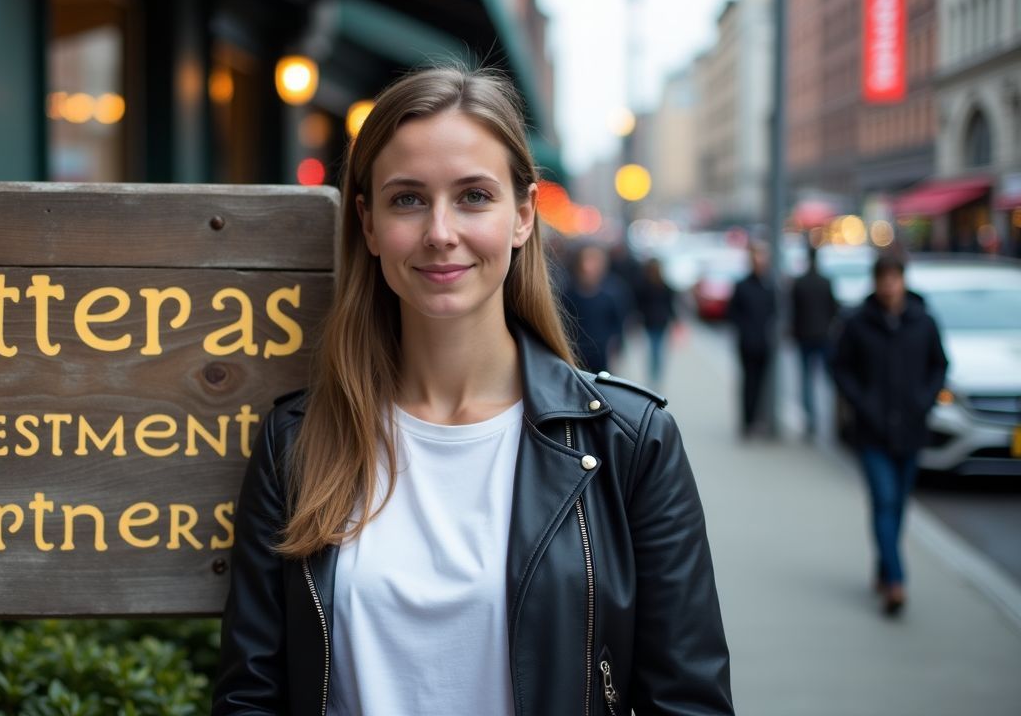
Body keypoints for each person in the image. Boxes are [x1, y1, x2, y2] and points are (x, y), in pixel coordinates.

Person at [213, 67, 732, 715]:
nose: (439, 231)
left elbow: (687, 702)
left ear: (522, 215)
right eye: (407, 199)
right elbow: (251, 696)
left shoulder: (632, 443)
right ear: (368, 226)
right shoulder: (297, 441)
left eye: (473, 196)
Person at [830, 253, 947, 616]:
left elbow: (939, 365)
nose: (888, 286)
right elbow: (838, 366)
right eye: (883, 279)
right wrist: (860, 402)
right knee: (883, 500)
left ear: (903, 280)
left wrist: (924, 400)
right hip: (872, 430)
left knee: (898, 504)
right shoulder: (858, 323)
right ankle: (896, 581)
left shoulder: (923, 321)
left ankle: (884, 566)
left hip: (911, 429)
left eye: (894, 279)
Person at [726, 242, 777, 437]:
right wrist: (745, 330)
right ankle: (747, 421)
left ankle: (758, 419)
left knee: (761, 383)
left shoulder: (769, 286)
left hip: (764, 343)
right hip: (747, 343)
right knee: (748, 383)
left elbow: (774, 312)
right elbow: (733, 314)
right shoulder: (742, 286)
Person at [789, 244, 840, 438]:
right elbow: (833, 309)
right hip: (823, 336)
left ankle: (811, 420)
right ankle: (832, 419)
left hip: (804, 336)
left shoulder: (800, 282)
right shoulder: (825, 282)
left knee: (806, 380)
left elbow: (793, 311)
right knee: (829, 381)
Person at [559, 242, 629, 374]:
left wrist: (617, 346)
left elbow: (618, 323)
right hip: (575, 354)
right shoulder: (568, 292)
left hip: (602, 354)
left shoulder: (613, 291)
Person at [636, 257, 676, 388]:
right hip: (655, 321)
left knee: (655, 348)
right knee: (656, 348)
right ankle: (655, 373)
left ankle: (654, 373)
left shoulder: (648, 285)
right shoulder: (659, 285)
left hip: (655, 321)